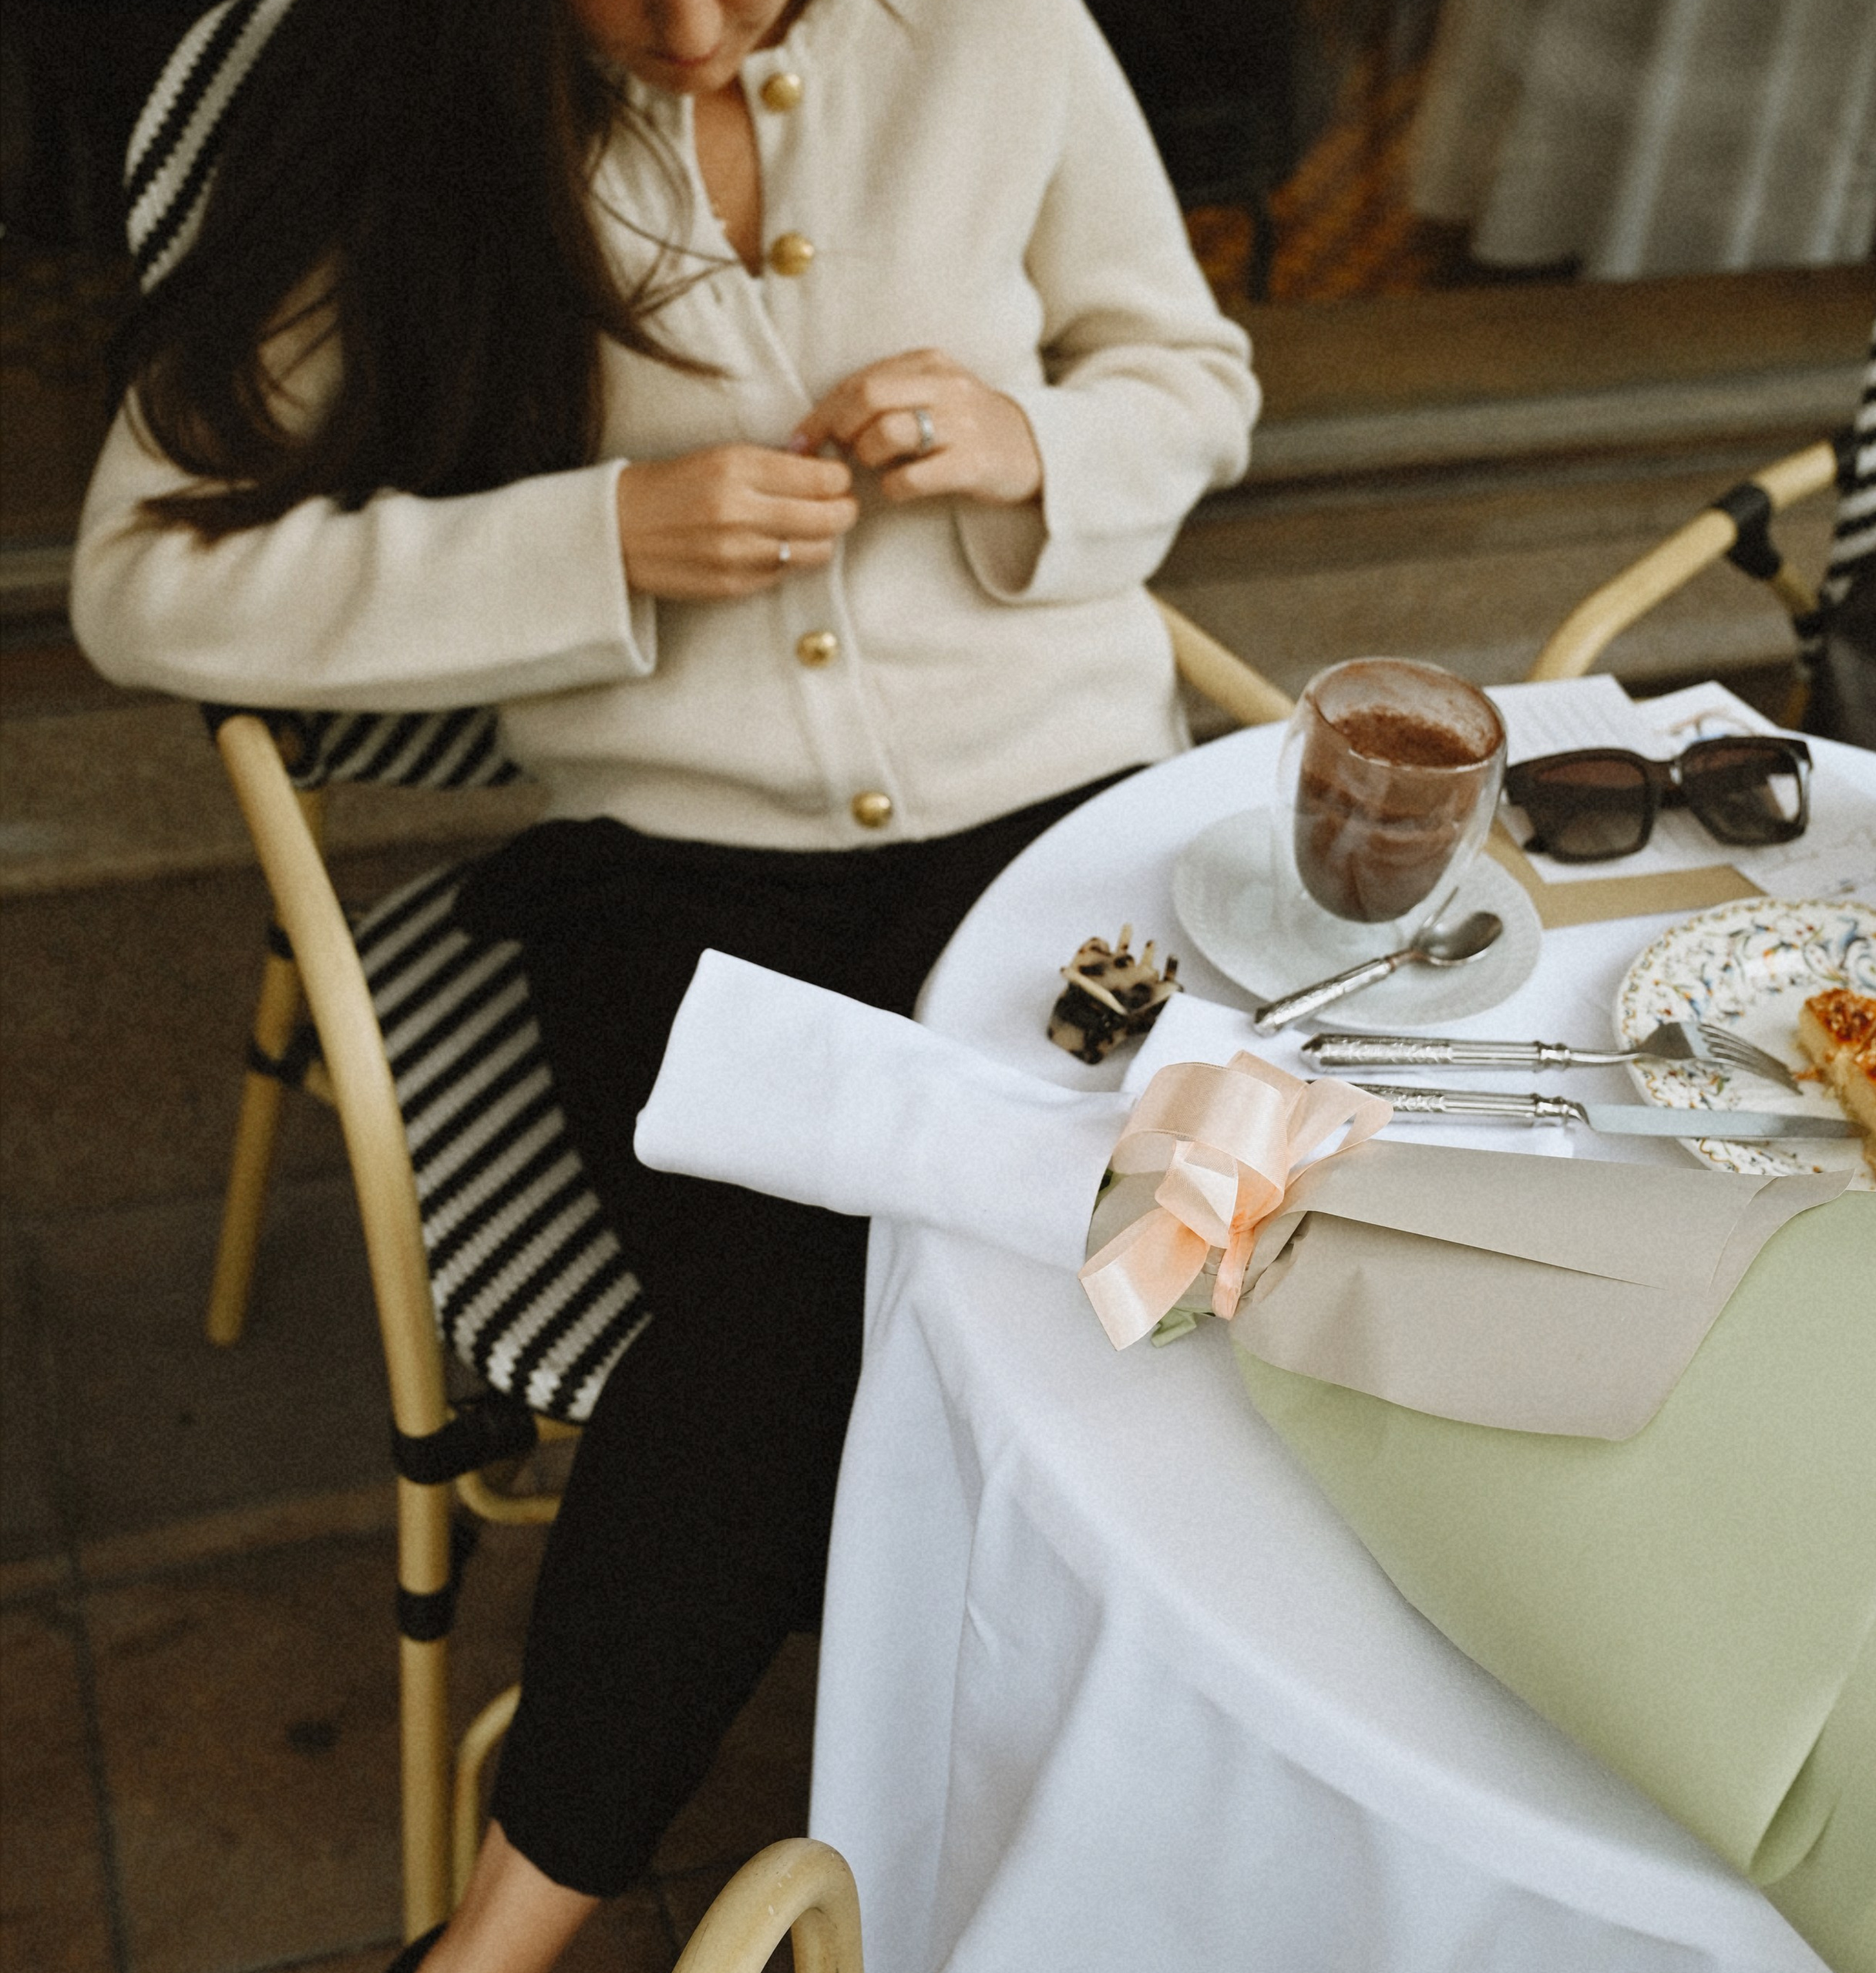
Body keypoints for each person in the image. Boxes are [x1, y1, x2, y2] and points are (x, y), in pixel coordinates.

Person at [69, 0, 1258, 1965]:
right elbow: (141, 578)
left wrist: (1024, 433)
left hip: (1067, 840)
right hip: (680, 877)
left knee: (1220, 1237)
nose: (700, 32)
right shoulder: (401, 98)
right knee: (791, 1317)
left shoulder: (998, 26)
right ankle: (507, 1935)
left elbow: (1191, 378)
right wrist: (589, 539)